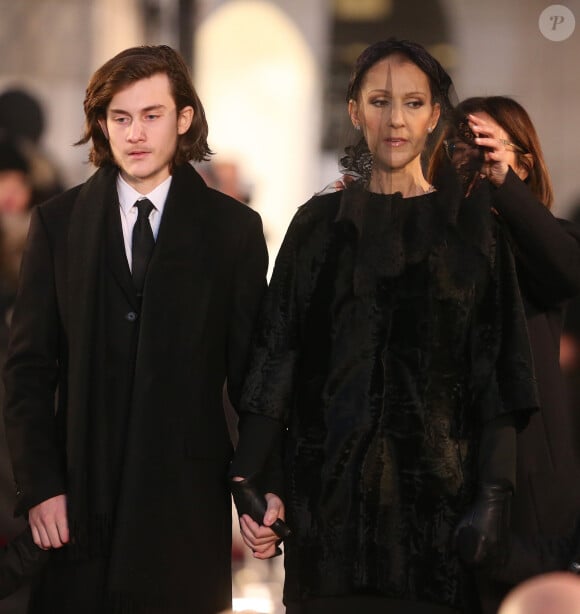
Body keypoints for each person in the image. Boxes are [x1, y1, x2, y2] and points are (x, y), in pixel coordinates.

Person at [230, 39, 539, 614]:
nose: (395, 119)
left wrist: (494, 495)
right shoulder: (317, 226)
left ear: (434, 117)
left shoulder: (473, 230)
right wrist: (249, 474)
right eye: (379, 100)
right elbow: (278, 353)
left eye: (413, 103)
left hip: (440, 527)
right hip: (325, 518)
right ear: (354, 111)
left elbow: (498, 372)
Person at [2, 45, 273, 614]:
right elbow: (28, 370)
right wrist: (41, 485)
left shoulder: (233, 232)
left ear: (184, 118)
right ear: (102, 124)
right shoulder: (58, 224)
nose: (136, 134)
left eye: (152, 115)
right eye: (120, 118)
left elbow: (256, 375)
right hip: (75, 503)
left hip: (183, 509)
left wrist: (261, 485)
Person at [434, 96, 580, 612]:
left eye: (489, 146)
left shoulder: (550, 240)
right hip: (444, 480)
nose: (474, 158)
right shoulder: (434, 244)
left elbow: (568, 271)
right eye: (462, 148)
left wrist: (502, 184)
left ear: (525, 160)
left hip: (529, 488)